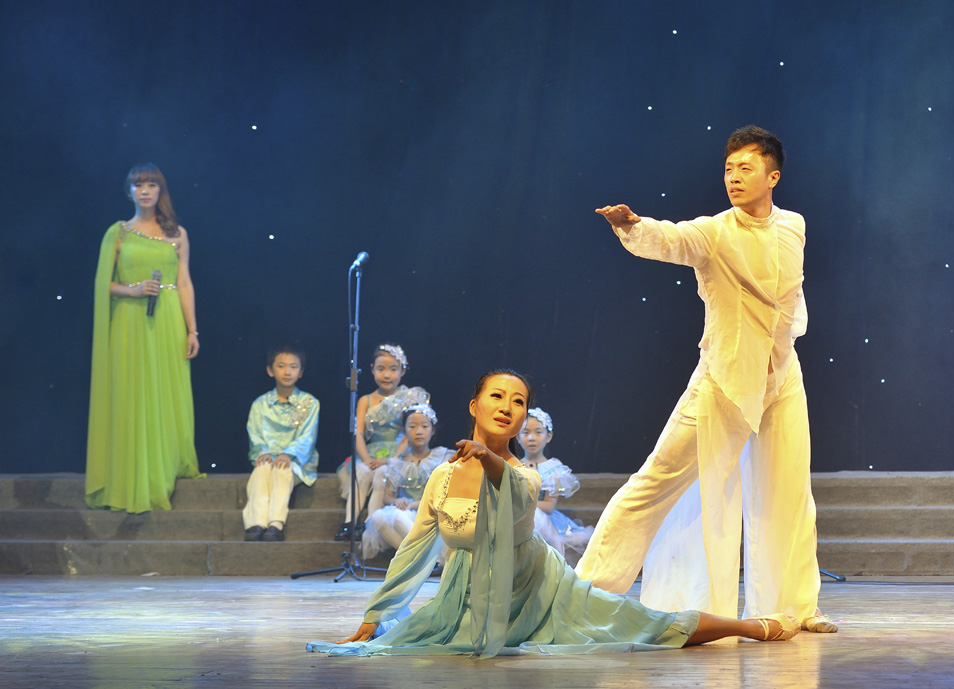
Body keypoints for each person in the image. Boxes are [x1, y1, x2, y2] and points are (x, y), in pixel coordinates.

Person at [306, 369, 799, 659]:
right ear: (474, 405)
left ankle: (750, 626)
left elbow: (512, 499)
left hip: (540, 591)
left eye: (518, 402)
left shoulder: (525, 474)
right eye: (497, 397)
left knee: (645, 627)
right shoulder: (442, 477)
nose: (507, 407)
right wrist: (375, 617)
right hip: (468, 598)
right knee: (412, 643)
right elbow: (412, 552)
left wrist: (489, 457)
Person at [574, 125, 836, 633]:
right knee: (657, 480)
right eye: (728, 169)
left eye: (745, 168)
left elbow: (789, 296)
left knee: (790, 492)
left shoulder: (794, 226)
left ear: (772, 176)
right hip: (724, 381)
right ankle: (585, 592)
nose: (733, 177)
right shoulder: (716, 232)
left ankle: (798, 607)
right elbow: (672, 238)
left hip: (781, 376)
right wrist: (633, 226)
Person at [86, 163, 202, 513]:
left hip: (167, 322)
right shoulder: (118, 233)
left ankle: (164, 469)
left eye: (152, 185)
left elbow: (184, 283)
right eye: (138, 185)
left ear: (160, 191)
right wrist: (133, 290)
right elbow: (102, 284)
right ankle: (133, 476)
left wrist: (192, 329)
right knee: (133, 393)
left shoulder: (177, 233)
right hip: (130, 321)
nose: (145, 190)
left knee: (164, 392)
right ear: (129, 192)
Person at [336, 343, 429, 540]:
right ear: (372, 369)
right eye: (381, 369)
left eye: (393, 369)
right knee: (361, 471)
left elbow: (410, 433)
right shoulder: (366, 400)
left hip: (399, 454)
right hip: (371, 453)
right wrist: (366, 459)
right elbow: (358, 434)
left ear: (402, 371)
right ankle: (349, 523)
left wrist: (391, 460)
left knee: (382, 473)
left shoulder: (409, 398)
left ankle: (371, 523)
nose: (387, 375)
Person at [243, 346, 320, 542]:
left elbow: (307, 437)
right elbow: (255, 433)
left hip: (296, 461)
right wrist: (263, 452)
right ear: (270, 370)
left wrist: (288, 454)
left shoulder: (310, 402)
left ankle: (275, 524)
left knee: (282, 469)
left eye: (293, 367)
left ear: (300, 372)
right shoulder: (260, 404)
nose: (287, 372)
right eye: (281, 366)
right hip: (268, 457)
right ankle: (256, 523)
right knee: (262, 469)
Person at [361, 403, 452, 559]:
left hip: (431, 513)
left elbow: (443, 495)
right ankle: (424, 560)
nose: (418, 431)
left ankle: (427, 559)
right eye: (412, 426)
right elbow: (387, 496)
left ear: (432, 430)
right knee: (378, 517)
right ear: (404, 431)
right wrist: (395, 501)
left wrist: (412, 505)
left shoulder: (443, 458)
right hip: (406, 513)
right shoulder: (398, 463)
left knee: (397, 517)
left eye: (424, 426)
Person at [516, 407, 593, 564]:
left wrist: (520, 504)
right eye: (525, 432)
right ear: (517, 437)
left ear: (548, 436)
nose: (531, 438)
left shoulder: (554, 469)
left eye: (538, 432)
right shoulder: (514, 465)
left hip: (543, 519)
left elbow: (549, 506)